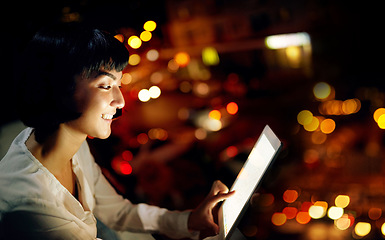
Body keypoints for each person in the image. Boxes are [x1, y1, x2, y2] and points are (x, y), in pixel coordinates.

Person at [0, 23, 233, 239]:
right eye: (105, 86)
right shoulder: (31, 204)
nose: (120, 101)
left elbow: (117, 211)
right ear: (60, 88)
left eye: (119, 85)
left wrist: (190, 220)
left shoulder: (73, 145)